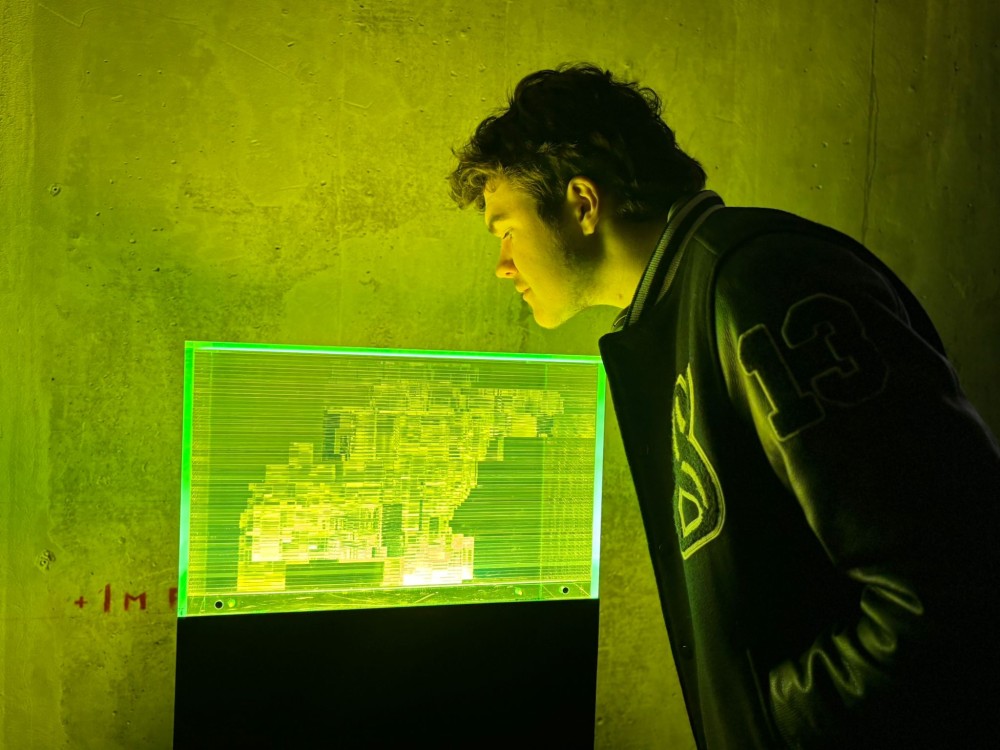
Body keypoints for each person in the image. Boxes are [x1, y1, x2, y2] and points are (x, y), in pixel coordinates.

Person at [448, 62, 1000, 749]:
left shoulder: (762, 284)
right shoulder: (685, 308)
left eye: (505, 229)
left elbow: (951, 586)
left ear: (584, 204)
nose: (502, 264)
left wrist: (772, 728)